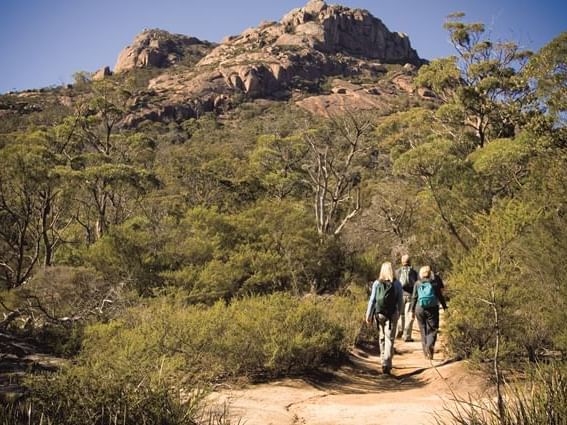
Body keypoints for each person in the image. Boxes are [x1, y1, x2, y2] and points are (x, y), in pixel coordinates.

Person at [365, 261, 404, 374]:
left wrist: (369, 315)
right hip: (392, 315)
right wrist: (399, 313)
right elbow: (400, 301)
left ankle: (383, 362)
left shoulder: (377, 283)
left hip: (379, 314)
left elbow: (372, 300)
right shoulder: (397, 284)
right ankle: (387, 363)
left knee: (382, 337)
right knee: (389, 339)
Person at [410, 265, 448, 360]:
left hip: (420, 308)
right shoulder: (434, 283)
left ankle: (426, 353)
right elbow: (440, 297)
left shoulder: (417, 283)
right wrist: (445, 307)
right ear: (430, 273)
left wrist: (412, 311)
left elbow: (414, 298)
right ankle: (430, 346)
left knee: (423, 330)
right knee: (433, 329)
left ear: (421, 274)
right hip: (432, 308)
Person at [395, 254, 418, 342]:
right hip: (410, 296)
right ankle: (407, 336)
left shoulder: (397, 272)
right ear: (410, 261)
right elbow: (416, 285)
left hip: (400, 295)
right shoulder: (414, 272)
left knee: (401, 314)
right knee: (409, 315)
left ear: (402, 262)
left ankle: (400, 330)